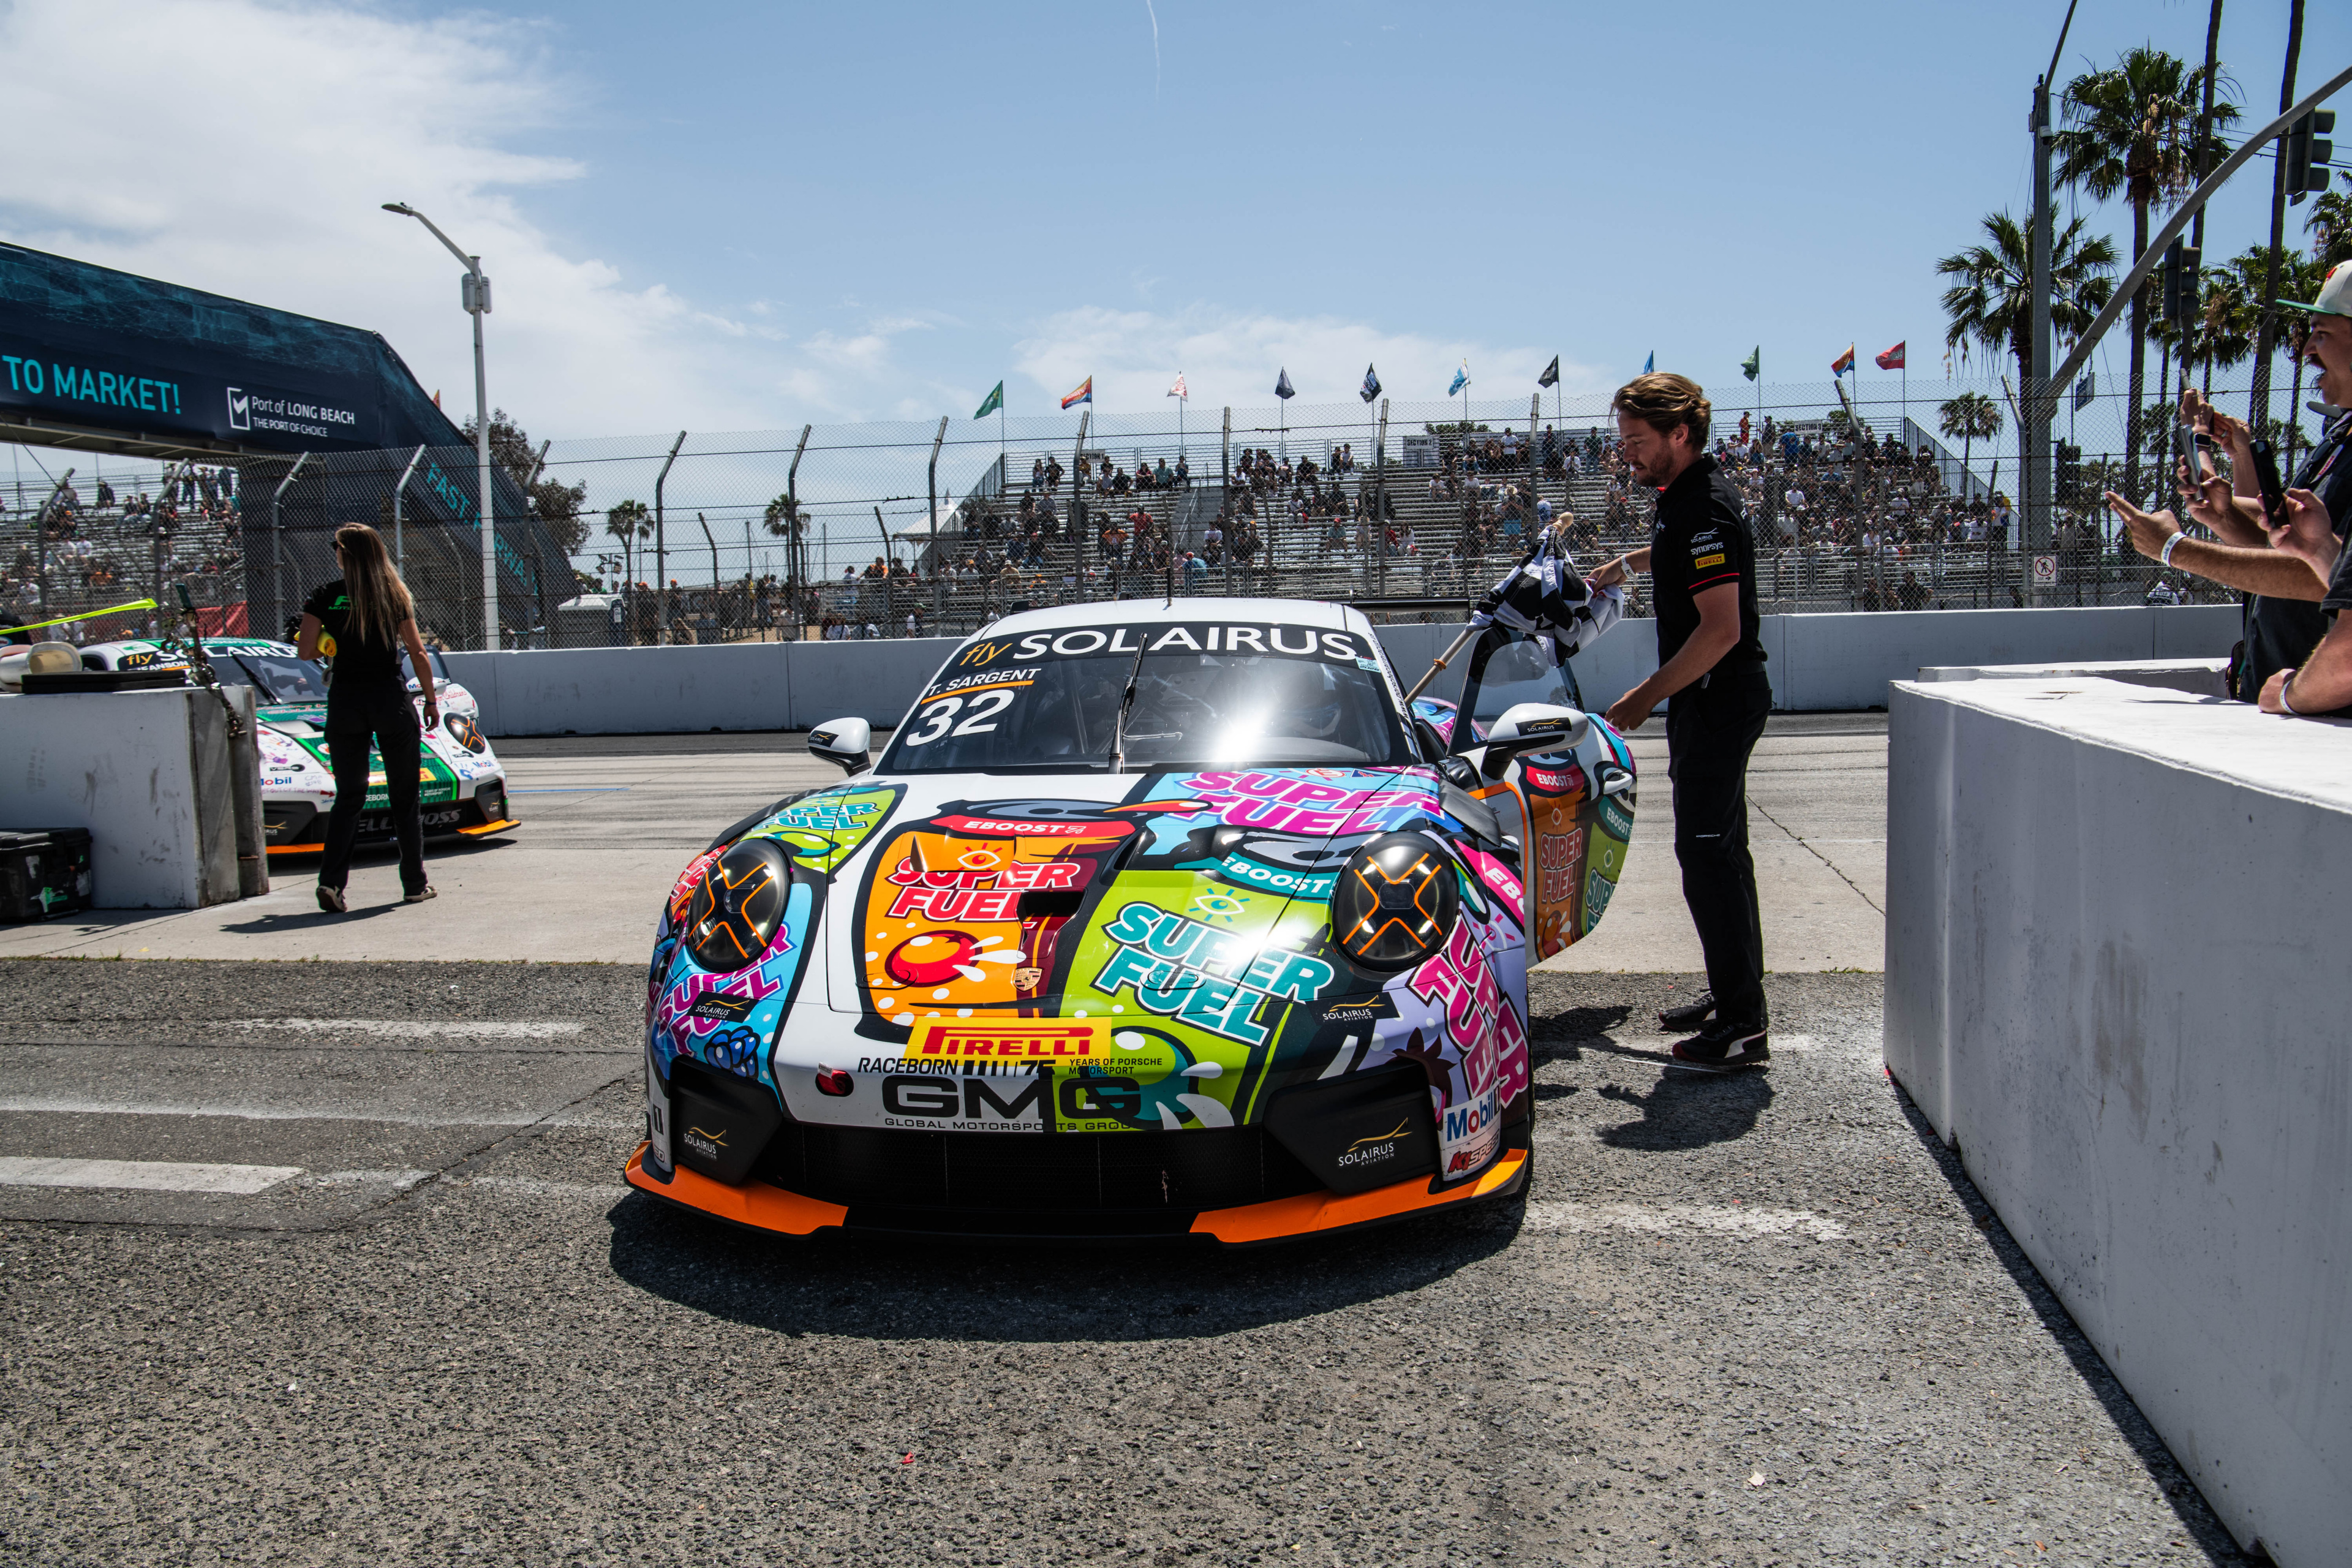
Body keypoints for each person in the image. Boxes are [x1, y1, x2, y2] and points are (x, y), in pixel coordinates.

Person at [1587, 372, 1773, 1070]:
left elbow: (1721, 630)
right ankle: (1734, 996)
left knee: (1707, 857)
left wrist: (1645, 695)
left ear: (1680, 434)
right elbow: (1679, 557)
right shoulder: (1683, 499)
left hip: (1719, 699)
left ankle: (1744, 1026)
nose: (1627, 453)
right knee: (1721, 855)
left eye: (1637, 440)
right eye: (1624, 440)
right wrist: (1627, 564)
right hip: (1710, 699)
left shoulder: (1705, 508)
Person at [2106, 262, 2352, 701]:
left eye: (2322, 333)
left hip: (2318, 710)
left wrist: (2175, 549)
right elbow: (2308, 551)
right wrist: (2227, 515)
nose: (2307, 350)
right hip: (2285, 701)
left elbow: (2320, 580)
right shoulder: (2340, 436)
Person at [296, 522, 438, 912]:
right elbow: (418, 652)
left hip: (346, 701)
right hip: (389, 699)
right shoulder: (393, 593)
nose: (333, 551)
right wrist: (430, 701)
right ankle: (415, 884)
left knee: (350, 795)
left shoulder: (324, 595)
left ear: (346, 553)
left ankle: (331, 883)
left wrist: (329, 643)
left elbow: (305, 651)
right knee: (404, 796)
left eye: (336, 546)